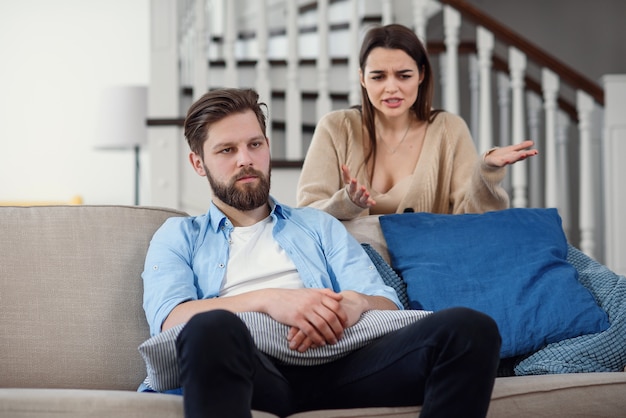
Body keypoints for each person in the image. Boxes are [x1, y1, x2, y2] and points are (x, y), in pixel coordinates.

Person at [141, 87, 501, 418]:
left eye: (255, 145)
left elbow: (386, 303)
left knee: (471, 328)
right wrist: (272, 300)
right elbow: (171, 320)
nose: (245, 160)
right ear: (198, 163)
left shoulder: (317, 225)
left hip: (344, 366)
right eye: (226, 150)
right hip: (253, 371)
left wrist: (354, 304)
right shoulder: (178, 235)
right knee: (208, 329)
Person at [297, 24, 538, 220]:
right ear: (362, 78)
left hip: (430, 266)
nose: (392, 88)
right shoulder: (336, 127)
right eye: (378, 77)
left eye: (404, 75)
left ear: (421, 75)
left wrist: (486, 173)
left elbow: (473, 220)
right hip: (355, 267)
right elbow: (306, 213)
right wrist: (346, 204)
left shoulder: (448, 129)